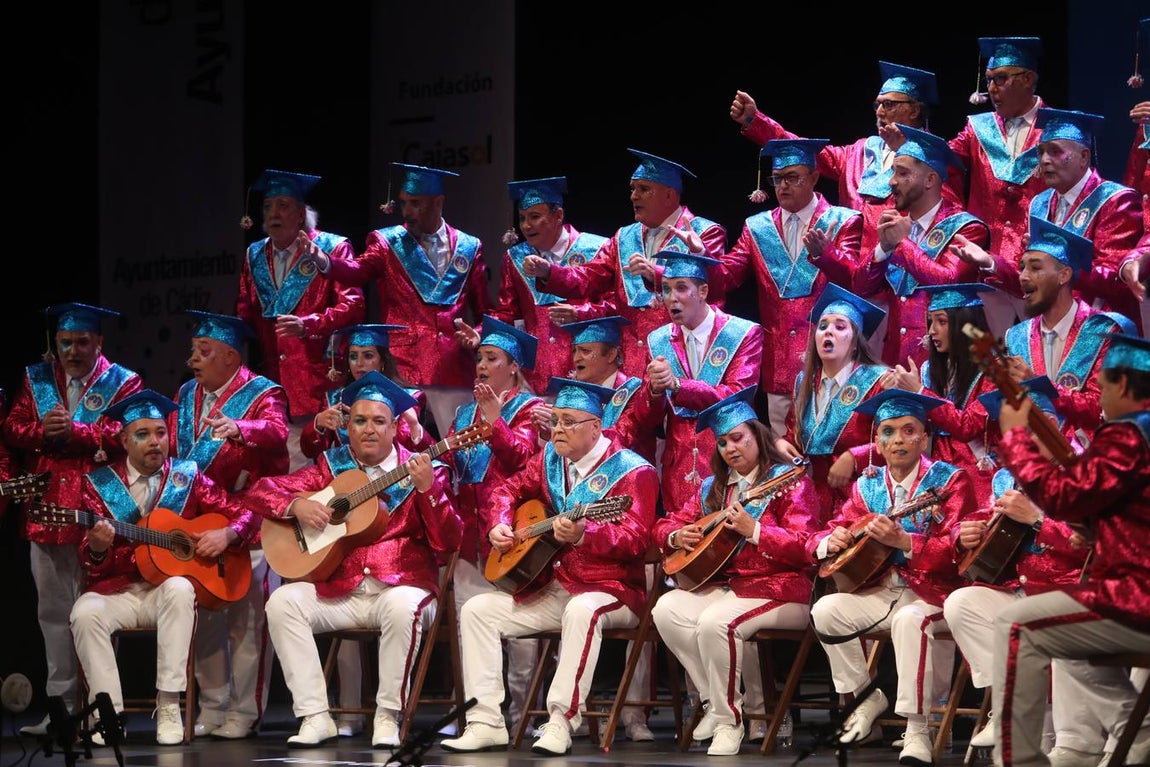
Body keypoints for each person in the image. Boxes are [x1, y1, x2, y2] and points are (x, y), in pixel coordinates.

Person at [439, 377, 658, 756]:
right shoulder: (549, 459)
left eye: (568, 421)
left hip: (613, 589)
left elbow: (638, 539)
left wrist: (585, 536)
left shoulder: (633, 471)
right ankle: (485, 721)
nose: (557, 429)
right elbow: (505, 490)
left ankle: (559, 721)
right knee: (477, 610)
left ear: (595, 426)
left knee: (581, 610)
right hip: (556, 584)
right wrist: (500, 523)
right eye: (555, 420)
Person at [245, 371, 462, 748]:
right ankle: (314, 715)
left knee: (400, 607)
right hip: (340, 591)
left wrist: (429, 492)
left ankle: (387, 716)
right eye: (359, 421)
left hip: (402, 587)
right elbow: (260, 490)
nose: (368, 430)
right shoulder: (332, 468)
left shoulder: (426, 470)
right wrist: (296, 505)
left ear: (395, 427)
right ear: (348, 426)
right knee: (282, 601)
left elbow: (448, 544)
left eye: (379, 421)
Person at [990, 332, 1149, 767]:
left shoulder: (1132, 434)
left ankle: (1018, 761)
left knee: (1015, 625)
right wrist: (1102, 533)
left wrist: (1018, 438)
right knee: (1064, 635)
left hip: (1138, 598)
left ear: (1121, 386)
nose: (1096, 395)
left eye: (1101, 383)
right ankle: (1142, 734)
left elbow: (1063, 496)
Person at [69, 389, 258, 746]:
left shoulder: (187, 475)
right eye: (143, 435)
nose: (155, 442)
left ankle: (169, 704)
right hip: (118, 591)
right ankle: (107, 714)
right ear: (124, 440)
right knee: (83, 613)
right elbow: (88, 562)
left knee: (180, 586)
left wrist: (228, 534)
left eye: (160, 433)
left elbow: (245, 512)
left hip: (166, 595)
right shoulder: (99, 485)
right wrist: (96, 549)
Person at [807, 389, 978, 766]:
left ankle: (917, 730)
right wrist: (827, 540)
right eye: (888, 432)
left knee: (908, 620)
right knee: (827, 610)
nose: (898, 439)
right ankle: (868, 697)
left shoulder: (951, 481)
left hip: (935, 593)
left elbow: (960, 552)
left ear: (924, 437)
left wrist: (906, 541)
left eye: (908, 430)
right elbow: (831, 528)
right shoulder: (866, 485)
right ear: (876, 442)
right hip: (880, 590)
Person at [651, 387, 821, 755]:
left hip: (782, 589)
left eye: (738, 438)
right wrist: (679, 534)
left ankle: (730, 722)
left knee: (716, 622)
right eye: (723, 442)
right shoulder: (714, 489)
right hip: (732, 589)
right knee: (666, 610)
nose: (731, 448)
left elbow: (805, 545)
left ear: (758, 437)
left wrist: (755, 531)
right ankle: (715, 702)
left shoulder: (788, 482)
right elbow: (664, 526)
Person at [3, 302, 143, 735]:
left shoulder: (124, 382)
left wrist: (78, 433)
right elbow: (11, 428)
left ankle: (102, 710)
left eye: (82, 341)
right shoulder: (36, 378)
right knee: (53, 612)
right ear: (55, 344)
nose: (73, 350)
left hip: (100, 508)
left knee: (97, 614)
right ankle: (62, 710)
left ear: (99, 341)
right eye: (65, 342)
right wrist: (41, 431)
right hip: (47, 508)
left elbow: (133, 434)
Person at [945, 380, 1094, 764]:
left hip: (1072, 591)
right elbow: (983, 520)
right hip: (1022, 588)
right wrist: (965, 534)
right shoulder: (1005, 477)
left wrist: (1039, 519)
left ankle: (1075, 741)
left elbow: (1096, 544)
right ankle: (1011, 705)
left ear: (1055, 425)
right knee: (963, 603)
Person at [301, 163, 489, 441]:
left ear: (438, 203)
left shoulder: (469, 247)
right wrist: (325, 261)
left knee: (460, 451)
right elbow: (358, 271)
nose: (407, 212)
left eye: (416, 203)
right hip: (404, 369)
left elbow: (486, 309)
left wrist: (479, 336)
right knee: (406, 449)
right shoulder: (388, 242)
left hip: (453, 368)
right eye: (403, 203)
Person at [171, 310, 290, 739]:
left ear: (229, 356)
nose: (193, 359)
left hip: (250, 520)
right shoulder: (186, 394)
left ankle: (245, 709)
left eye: (202, 351)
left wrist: (240, 428)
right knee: (204, 618)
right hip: (201, 522)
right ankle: (213, 704)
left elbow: (277, 434)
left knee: (248, 621)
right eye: (192, 351)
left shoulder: (264, 393)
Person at [706, 138, 864, 438]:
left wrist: (825, 255)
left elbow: (856, 282)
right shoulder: (757, 227)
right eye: (777, 179)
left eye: (793, 177)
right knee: (784, 451)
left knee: (832, 443)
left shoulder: (844, 221)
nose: (783, 186)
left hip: (830, 359)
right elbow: (726, 277)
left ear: (815, 177)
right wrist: (703, 259)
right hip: (779, 362)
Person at [523, 148, 728, 378]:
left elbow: (716, 287)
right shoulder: (624, 237)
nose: (633, 196)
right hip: (633, 363)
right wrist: (550, 271)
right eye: (632, 189)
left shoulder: (705, 232)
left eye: (643, 189)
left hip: (682, 357)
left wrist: (657, 274)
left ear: (669, 195)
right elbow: (590, 276)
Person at [731, 61, 963, 258]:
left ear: (914, 111)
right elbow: (806, 148)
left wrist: (904, 149)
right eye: (877, 104)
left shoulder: (937, 155)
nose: (879, 112)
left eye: (889, 104)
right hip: (851, 266)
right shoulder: (860, 151)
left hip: (902, 268)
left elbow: (948, 213)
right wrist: (756, 121)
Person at [952, 108, 1144, 335]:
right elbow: (1031, 280)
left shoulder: (1115, 200)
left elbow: (1117, 280)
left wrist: (1058, 261)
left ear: (1084, 156)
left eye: (1055, 151)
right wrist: (989, 262)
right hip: (1049, 329)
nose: (1044, 160)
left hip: (1101, 331)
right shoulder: (1039, 204)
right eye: (1041, 152)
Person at [234, 168, 365, 471]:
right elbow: (245, 311)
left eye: (283, 205)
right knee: (283, 472)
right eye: (268, 206)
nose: (273, 213)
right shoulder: (254, 255)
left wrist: (310, 324)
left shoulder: (331, 248)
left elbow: (354, 305)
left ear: (301, 213)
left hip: (319, 376)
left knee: (325, 467)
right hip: (274, 381)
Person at [855, 124, 989, 368]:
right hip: (895, 361)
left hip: (944, 364)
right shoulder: (896, 225)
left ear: (930, 179)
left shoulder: (967, 228)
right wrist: (883, 248)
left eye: (903, 173)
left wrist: (901, 244)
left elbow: (948, 281)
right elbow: (862, 287)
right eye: (893, 173)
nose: (892, 182)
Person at [992, 217, 1136, 445]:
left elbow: (1108, 408)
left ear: (1064, 275)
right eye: (1022, 267)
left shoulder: (1106, 330)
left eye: (1035, 267)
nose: (1023, 276)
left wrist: (1041, 386)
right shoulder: (1016, 336)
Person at [642, 251, 763, 514]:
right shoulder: (657, 340)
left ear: (703, 291)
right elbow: (651, 419)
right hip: (678, 466)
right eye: (665, 289)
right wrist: (654, 391)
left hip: (727, 459)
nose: (671, 298)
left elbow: (737, 396)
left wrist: (677, 385)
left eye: (681, 288)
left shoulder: (742, 333)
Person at [943, 36, 1048, 337]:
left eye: (1000, 79)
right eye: (988, 80)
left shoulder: (1057, 129)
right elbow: (941, 163)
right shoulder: (978, 129)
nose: (991, 89)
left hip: (1037, 268)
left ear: (1028, 79)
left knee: (1039, 363)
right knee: (987, 364)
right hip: (984, 267)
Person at [483, 176, 610, 394]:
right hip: (535, 378)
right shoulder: (514, 258)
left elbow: (614, 306)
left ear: (558, 215)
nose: (526, 226)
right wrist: (481, 333)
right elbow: (507, 314)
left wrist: (581, 313)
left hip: (587, 374)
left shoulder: (598, 249)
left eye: (534, 217)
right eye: (522, 218)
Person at [774, 284, 889, 517]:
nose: (828, 332)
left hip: (861, 497)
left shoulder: (877, 381)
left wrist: (854, 457)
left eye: (840, 326)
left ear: (856, 340)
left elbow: (894, 441)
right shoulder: (803, 382)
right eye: (823, 326)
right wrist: (780, 445)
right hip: (813, 498)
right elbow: (794, 437)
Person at [883, 283, 1000, 503]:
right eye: (930, 321)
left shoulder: (996, 370)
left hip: (976, 474)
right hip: (935, 474)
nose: (931, 331)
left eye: (942, 321)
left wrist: (919, 392)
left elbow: (968, 426)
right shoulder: (929, 369)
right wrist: (898, 395)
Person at [531, 315, 657, 464]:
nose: (576, 358)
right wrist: (548, 433)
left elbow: (621, 437)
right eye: (574, 351)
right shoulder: (573, 392)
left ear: (611, 355)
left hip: (626, 478)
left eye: (585, 351)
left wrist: (565, 429)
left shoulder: (635, 392)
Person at [301, 323, 431, 462]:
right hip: (348, 476)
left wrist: (413, 425)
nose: (359, 363)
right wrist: (318, 424)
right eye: (353, 356)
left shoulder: (407, 397)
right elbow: (310, 452)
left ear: (383, 361)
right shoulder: (334, 398)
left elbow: (416, 451)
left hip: (394, 475)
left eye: (368, 356)